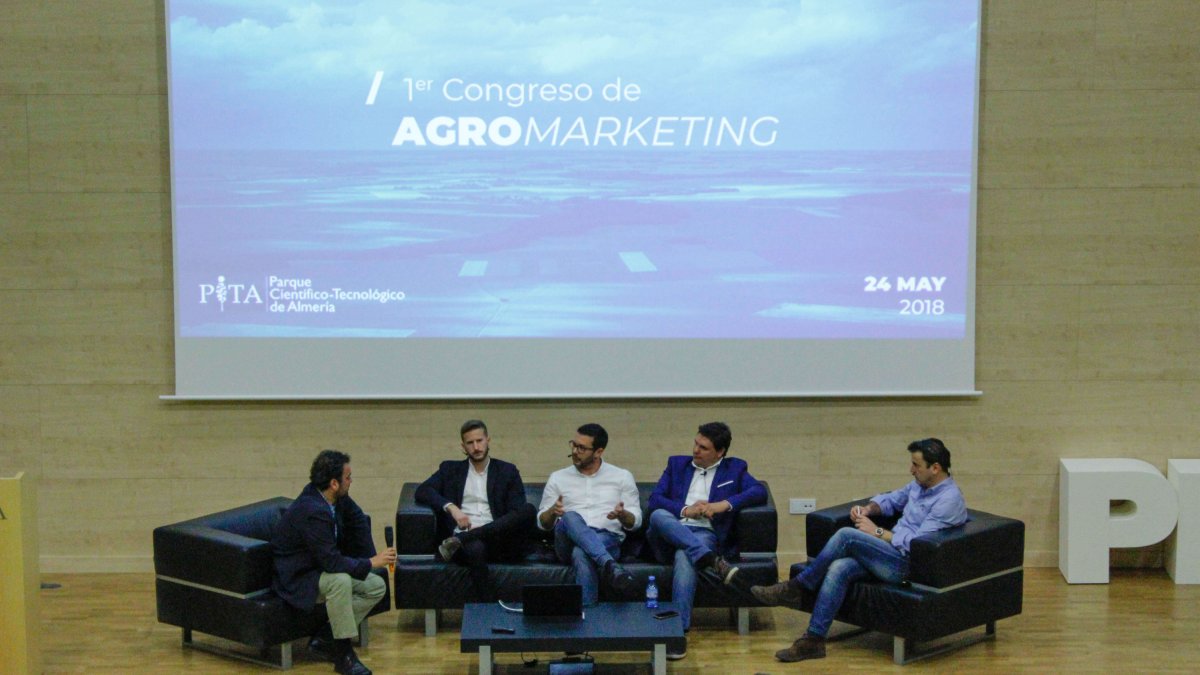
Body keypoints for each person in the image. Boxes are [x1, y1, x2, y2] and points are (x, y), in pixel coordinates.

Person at [751, 438, 967, 663]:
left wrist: (877, 532)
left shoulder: (948, 500)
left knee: (846, 536)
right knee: (839, 567)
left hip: (909, 567)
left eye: (916, 465)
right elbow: (891, 500)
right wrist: (868, 508)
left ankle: (797, 587)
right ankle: (813, 640)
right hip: (889, 554)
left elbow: (919, 544)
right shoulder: (920, 485)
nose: (911, 470)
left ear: (935, 468)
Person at [645, 421, 766, 658]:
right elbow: (655, 500)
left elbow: (758, 491)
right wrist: (685, 510)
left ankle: (677, 634)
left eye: (704, 447)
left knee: (685, 555)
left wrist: (723, 505)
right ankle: (711, 561)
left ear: (719, 452)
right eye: (696, 443)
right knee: (659, 515)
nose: (696, 450)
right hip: (668, 533)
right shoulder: (676, 464)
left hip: (703, 533)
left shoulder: (735, 469)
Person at [272, 450, 396, 675]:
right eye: (348, 477)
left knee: (375, 586)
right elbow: (331, 563)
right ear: (334, 483)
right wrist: (370, 562)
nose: (351, 481)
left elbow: (358, 520)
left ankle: (326, 637)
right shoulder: (313, 511)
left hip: (319, 569)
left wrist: (371, 563)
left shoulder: (335, 498)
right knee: (340, 581)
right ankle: (343, 655)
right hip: (300, 577)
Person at [415, 419, 537, 601]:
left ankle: (465, 537)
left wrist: (475, 533)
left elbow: (516, 512)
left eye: (480, 441)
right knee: (475, 547)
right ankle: (487, 610)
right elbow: (423, 491)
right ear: (463, 446)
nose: (476, 447)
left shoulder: (507, 471)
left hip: (499, 539)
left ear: (488, 440)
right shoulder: (450, 469)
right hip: (468, 545)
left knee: (528, 509)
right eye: (470, 443)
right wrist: (452, 508)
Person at [537, 423, 642, 606]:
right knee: (569, 517)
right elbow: (542, 523)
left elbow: (636, 522)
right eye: (574, 445)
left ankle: (587, 621)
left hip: (607, 539)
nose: (575, 451)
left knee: (581, 552)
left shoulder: (621, 477)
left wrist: (622, 514)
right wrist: (553, 512)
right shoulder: (558, 477)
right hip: (566, 542)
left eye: (582, 448)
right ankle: (610, 566)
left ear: (598, 452)